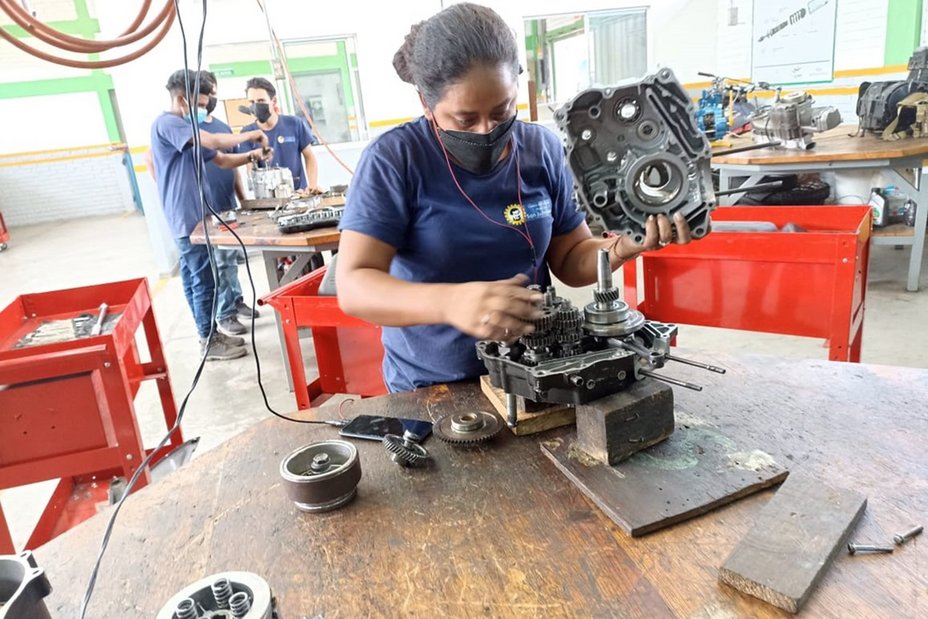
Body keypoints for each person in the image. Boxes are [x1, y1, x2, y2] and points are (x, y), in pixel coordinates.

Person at [336, 3, 699, 392]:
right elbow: (355, 285)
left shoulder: (540, 148)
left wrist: (624, 247)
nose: (486, 130)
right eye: (465, 119)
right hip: (433, 387)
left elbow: (569, 258)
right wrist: (450, 303)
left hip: (537, 371)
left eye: (502, 110)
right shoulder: (395, 159)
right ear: (426, 103)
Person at [150, 69, 271, 360]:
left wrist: (252, 156)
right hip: (186, 218)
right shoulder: (168, 124)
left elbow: (222, 159)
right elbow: (215, 143)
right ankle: (209, 340)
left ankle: (208, 336)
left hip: (199, 216)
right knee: (203, 280)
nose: (204, 110)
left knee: (198, 279)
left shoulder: (187, 134)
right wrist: (251, 134)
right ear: (182, 100)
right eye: (201, 104)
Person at [198, 72, 261, 337]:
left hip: (227, 203)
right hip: (206, 208)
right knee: (220, 263)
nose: (211, 99)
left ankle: (236, 300)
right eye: (206, 95)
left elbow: (233, 165)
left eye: (214, 93)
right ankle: (224, 314)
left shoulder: (222, 126)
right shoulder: (189, 130)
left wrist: (242, 199)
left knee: (231, 258)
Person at [239, 77, 321, 193]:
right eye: (252, 102)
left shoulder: (295, 124)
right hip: (267, 199)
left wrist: (312, 186)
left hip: (299, 194)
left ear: (274, 101)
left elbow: (309, 156)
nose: (256, 106)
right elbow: (250, 169)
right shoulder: (247, 133)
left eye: (261, 101)